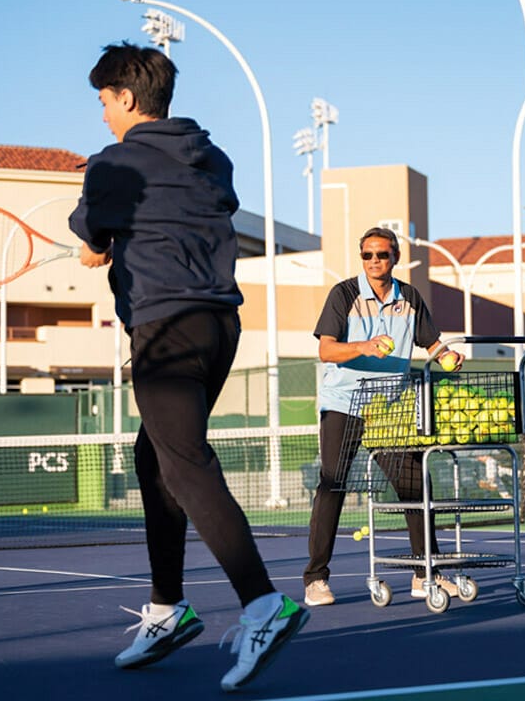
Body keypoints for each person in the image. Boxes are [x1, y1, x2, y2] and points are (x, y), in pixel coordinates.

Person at [68, 42, 307, 690]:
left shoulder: (112, 163)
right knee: (155, 459)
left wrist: (95, 246)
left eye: (104, 101)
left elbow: (94, 234)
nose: (102, 114)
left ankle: (263, 604)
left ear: (126, 97)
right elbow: (180, 214)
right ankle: (167, 608)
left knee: (183, 464)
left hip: (165, 329)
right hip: (219, 325)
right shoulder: (213, 157)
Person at [302, 227, 466, 606]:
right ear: (361, 258)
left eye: (382, 254)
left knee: (414, 485)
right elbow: (327, 350)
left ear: (395, 258)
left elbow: (431, 342)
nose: (374, 261)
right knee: (333, 484)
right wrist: (364, 346)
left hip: (390, 408)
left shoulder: (410, 297)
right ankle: (316, 579)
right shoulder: (343, 294)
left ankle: (425, 574)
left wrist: (448, 355)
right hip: (344, 402)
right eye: (368, 255)